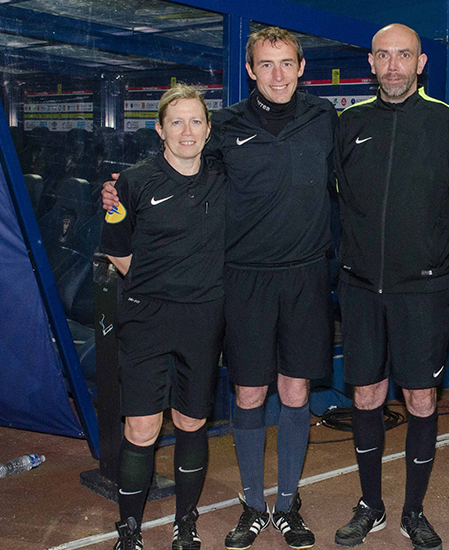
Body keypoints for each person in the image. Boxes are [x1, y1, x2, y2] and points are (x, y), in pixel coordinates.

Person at [103, 27, 338, 550]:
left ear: (301, 68)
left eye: (286, 64)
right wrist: (121, 194)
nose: (277, 74)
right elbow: (179, 173)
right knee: (249, 392)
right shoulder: (224, 128)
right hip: (243, 280)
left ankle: (288, 504)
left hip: (305, 275)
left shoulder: (326, 119)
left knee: (296, 392)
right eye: (265, 64)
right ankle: (253, 505)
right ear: (250, 71)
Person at [333, 23, 449, 550]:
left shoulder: (445, 122)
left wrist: (437, 260)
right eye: (384, 56)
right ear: (371, 63)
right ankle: (371, 505)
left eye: (404, 56)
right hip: (362, 289)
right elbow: (329, 198)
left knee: (420, 398)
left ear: (421, 64)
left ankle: (414, 510)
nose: (394, 65)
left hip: (423, 293)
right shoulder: (349, 124)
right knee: (366, 395)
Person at [100, 84, 226, 550]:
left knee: (191, 422)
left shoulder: (223, 177)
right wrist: (158, 285)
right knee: (141, 427)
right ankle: (129, 527)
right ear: (159, 129)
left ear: (209, 129)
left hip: (203, 319)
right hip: (145, 320)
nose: (187, 131)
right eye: (176, 121)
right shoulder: (132, 182)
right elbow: (117, 251)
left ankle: (184, 521)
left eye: (196, 121)